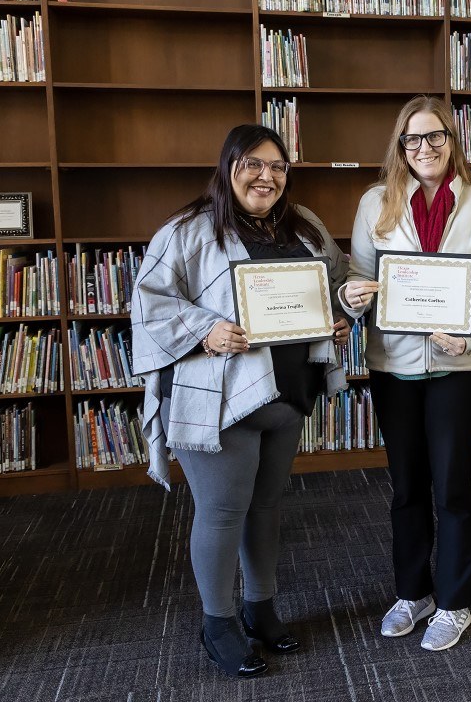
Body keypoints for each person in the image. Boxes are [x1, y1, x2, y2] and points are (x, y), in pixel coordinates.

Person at [131, 124, 353, 678]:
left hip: (288, 395)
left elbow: (339, 283)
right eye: (253, 164)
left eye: (278, 167)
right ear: (228, 166)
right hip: (222, 401)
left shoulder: (305, 228)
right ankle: (218, 624)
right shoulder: (186, 231)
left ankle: (261, 609)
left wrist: (341, 318)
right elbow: (149, 303)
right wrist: (206, 330)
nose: (266, 176)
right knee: (223, 511)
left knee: (266, 507)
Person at [340, 96, 471, 652]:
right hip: (394, 367)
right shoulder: (374, 203)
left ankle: (455, 601)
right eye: (413, 140)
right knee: (407, 487)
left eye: (434, 136)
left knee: (453, 487)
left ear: (451, 140)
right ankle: (413, 593)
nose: (424, 148)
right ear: (400, 147)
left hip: (458, 368)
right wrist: (351, 297)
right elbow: (359, 281)